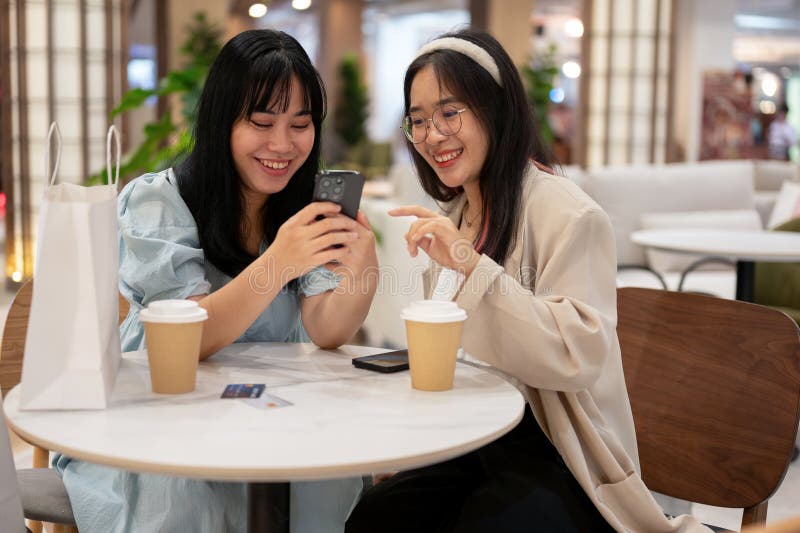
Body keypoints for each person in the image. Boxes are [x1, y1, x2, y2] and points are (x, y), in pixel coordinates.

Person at [345, 29, 710, 533]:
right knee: (375, 516)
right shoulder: (458, 213)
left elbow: (576, 353)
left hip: (559, 453)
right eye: (419, 121)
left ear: (495, 108)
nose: (432, 135)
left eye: (450, 113)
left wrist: (470, 265)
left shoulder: (568, 213)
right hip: (472, 440)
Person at [55, 29, 377, 533]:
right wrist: (279, 263)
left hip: (268, 409)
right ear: (221, 122)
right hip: (160, 413)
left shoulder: (300, 206)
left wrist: (364, 267)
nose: (282, 144)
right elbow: (189, 337)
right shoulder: (160, 200)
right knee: (189, 496)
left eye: (301, 124)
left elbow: (326, 330)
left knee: (328, 476)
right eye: (262, 122)